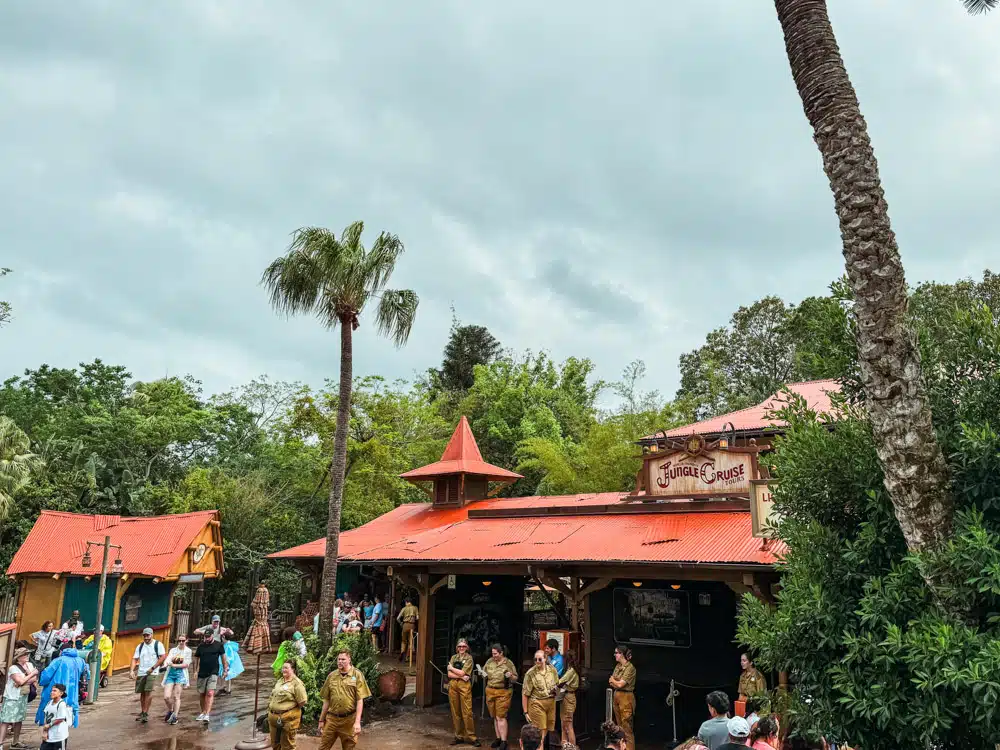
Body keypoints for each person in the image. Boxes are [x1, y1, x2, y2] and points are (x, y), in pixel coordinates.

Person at [318, 648, 370, 750]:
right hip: (332, 719)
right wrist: (321, 720)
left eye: (343, 659)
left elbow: (360, 700)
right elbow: (326, 700)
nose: (340, 662)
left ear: (349, 660)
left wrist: (357, 722)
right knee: (323, 747)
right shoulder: (332, 676)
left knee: (349, 747)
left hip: (349, 720)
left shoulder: (357, 675)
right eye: (339, 659)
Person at [36, 644, 87, 731]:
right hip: (72, 692)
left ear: (61, 651)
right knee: (67, 713)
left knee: (51, 714)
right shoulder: (80, 661)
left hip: (56, 689)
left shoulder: (58, 660)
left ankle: (49, 738)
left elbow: (46, 676)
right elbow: (86, 673)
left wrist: (41, 681)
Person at [1, 647, 39, 749]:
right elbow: (21, 681)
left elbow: (33, 679)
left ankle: (15, 741)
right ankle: (0, 742)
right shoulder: (13, 668)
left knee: (19, 719)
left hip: (23, 695)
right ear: (18, 657)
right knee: (6, 719)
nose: (27, 656)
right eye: (24, 655)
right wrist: (30, 675)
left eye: (27, 654)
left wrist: (24, 680)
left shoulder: (29, 665)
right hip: (12, 697)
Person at [482, 642, 517, 750]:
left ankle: (503, 741)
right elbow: (484, 672)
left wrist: (510, 675)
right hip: (490, 691)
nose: (493, 656)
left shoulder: (508, 663)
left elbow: (515, 678)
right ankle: (498, 738)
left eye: (495, 654)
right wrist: (482, 673)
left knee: (501, 716)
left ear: (501, 653)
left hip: (503, 692)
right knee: (494, 716)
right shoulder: (489, 661)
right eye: (492, 653)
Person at [521, 649, 558, 748]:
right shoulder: (530, 673)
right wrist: (525, 712)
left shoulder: (552, 670)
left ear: (545, 659)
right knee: (539, 732)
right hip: (537, 703)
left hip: (550, 702)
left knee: (546, 730)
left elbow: (557, 684)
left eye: (540, 659)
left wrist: (556, 690)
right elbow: (525, 693)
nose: (537, 661)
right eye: (535, 659)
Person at [268, 660, 308, 750]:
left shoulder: (297, 683)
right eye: (283, 668)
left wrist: (289, 711)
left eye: (286, 668)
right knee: (275, 744)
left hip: (288, 719)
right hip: (274, 718)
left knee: (287, 745)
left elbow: (302, 701)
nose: (283, 670)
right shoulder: (280, 680)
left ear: (293, 669)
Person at [129, 627, 167, 723]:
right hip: (142, 671)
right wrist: (132, 670)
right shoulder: (140, 646)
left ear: (152, 635)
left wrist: (153, 667)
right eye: (144, 636)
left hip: (152, 671)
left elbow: (163, 657)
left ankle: (145, 713)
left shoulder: (158, 644)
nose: (146, 638)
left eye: (148, 635)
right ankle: (143, 711)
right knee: (142, 692)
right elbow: (135, 658)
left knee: (148, 691)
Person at [447, 638, 479, 747]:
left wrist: (452, 668)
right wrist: (460, 675)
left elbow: (463, 672)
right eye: (459, 646)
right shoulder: (453, 657)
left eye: (463, 646)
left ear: (467, 648)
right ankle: (458, 736)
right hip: (453, 685)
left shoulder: (469, 658)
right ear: (457, 648)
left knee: (467, 712)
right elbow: (449, 675)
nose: (461, 648)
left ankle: (472, 737)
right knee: (455, 712)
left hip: (464, 687)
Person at [194, 629, 229, 723]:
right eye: (205, 637)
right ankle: (203, 712)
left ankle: (207, 714)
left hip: (213, 672)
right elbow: (196, 658)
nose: (207, 638)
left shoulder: (218, 645)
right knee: (202, 693)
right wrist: (195, 671)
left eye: (208, 636)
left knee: (210, 693)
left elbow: (223, 658)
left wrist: (225, 670)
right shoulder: (201, 646)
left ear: (212, 635)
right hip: (202, 672)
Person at [608, 646, 636, 750]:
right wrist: (616, 682)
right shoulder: (618, 666)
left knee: (627, 728)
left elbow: (620, 684)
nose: (615, 655)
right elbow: (612, 681)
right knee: (619, 728)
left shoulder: (630, 668)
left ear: (622, 654)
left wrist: (616, 682)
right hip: (617, 696)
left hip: (626, 697)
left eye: (617, 653)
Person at [162, 633, 193, 725]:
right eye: (179, 640)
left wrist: (174, 665)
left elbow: (186, 664)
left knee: (176, 696)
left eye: (183, 640)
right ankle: (171, 710)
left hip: (181, 674)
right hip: (171, 674)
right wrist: (165, 664)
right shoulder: (173, 650)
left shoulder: (188, 651)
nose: (181, 642)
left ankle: (175, 716)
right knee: (166, 697)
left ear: (186, 640)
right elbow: (168, 659)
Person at [39, 682, 72, 750]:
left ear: (61, 693)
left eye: (55, 691)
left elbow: (61, 718)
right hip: (50, 736)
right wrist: (45, 732)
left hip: (59, 736)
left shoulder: (61, 704)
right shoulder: (49, 703)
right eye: (52, 690)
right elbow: (46, 717)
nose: (52, 692)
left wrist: (49, 725)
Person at [558, 651, 580, 748]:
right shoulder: (570, 669)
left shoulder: (571, 671)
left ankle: (572, 747)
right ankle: (565, 746)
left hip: (569, 698)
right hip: (565, 696)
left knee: (568, 725)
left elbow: (560, 682)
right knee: (563, 724)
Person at [219, 630, 244, 694]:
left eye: (222, 637)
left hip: (228, 663)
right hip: (226, 662)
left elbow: (229, 657)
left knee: (226, 674)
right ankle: (224, 688)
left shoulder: (228, 646)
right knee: (225, 674)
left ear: (224, 637)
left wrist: (227, 664)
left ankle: (227, 689)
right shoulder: (228, 644)